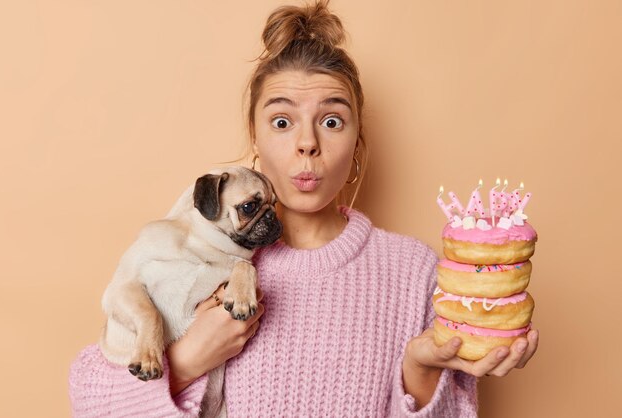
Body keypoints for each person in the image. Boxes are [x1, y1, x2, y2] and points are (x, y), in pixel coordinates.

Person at [69, 1, 539, 416]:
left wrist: (417, 369)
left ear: (358, 142)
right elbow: (89, 402)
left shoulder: (415, 273)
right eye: (281, 121)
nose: (307, 143)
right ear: (254, 138)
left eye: (332, 120)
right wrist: (189, 360)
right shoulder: (205, 262)